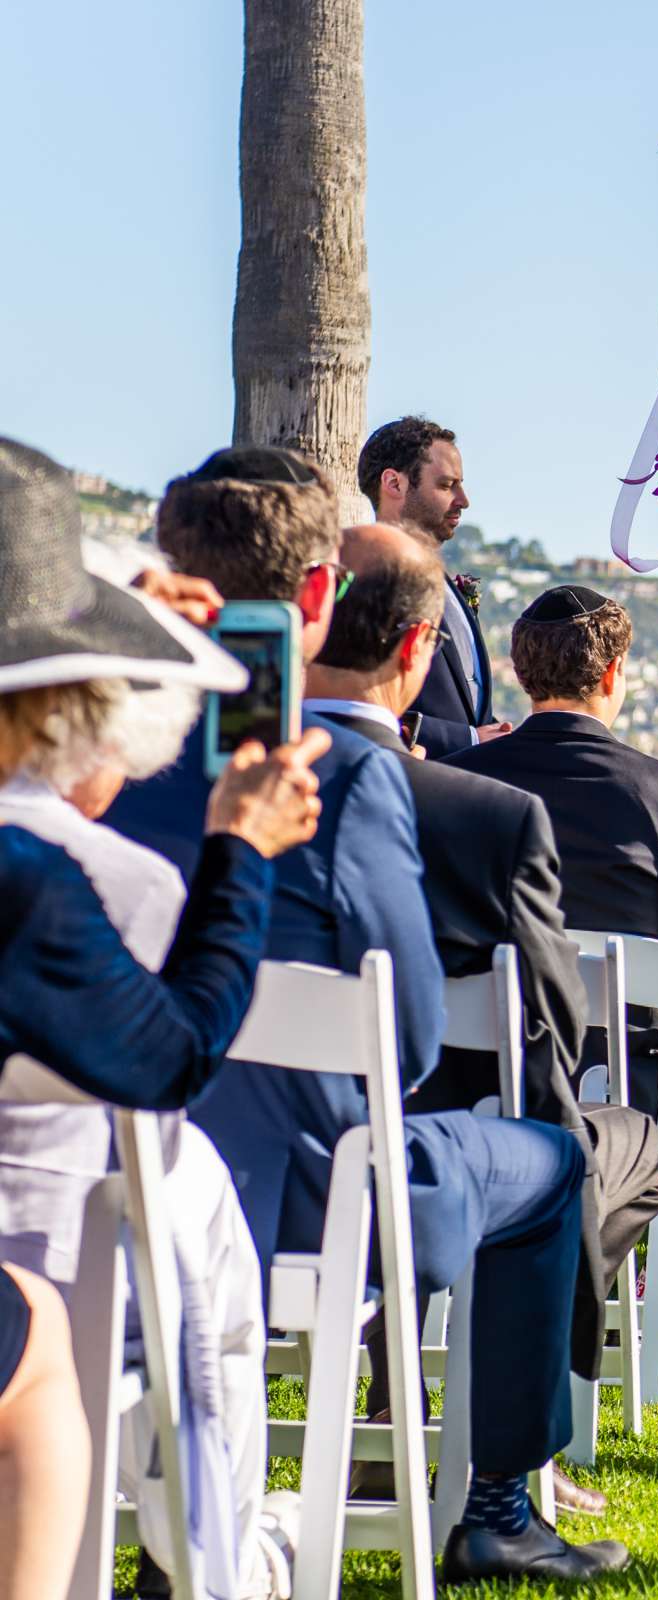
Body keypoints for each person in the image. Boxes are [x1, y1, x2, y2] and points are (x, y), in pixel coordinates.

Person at [108, 448, 624, 1581]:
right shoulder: (337, 774)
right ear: (313, 599)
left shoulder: (110, 758)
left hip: (113, 1184)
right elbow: (408, 1039)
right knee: (548, 1159)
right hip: (312, 1204)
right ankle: (494, 1501)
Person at [0, 436, 330, 1598]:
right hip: (63, 1260)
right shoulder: (52, 885)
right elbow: (173, 1056)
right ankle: (220, 1557)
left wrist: (130, 615)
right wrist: (241, 851)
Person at [301, 525, 658, 1514]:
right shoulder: (484, 817)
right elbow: (543, 1039)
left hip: (220, 1177)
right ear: (421, 651)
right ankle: (502, 1493)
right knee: (556, 1160)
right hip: (390, 1179)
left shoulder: (192, 786)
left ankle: (381, 1423)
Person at [448, 587, 658, 1284]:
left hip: (480, 1070)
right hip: (634, 1076)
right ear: (611, 674)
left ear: (520, 672)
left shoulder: (454, 782)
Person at [359, 416, 508, 755]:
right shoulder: (365, 579)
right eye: (446, 485)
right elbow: (358, 702)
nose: (464, 499)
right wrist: (468, 739)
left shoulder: (445, 583)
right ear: (394, 484)